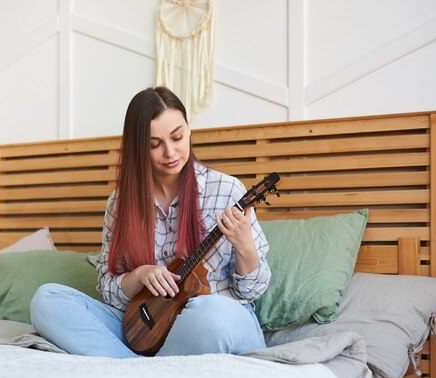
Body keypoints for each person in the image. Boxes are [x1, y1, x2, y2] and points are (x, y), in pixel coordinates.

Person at [30, 86, 271, 358]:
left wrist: (245, 246)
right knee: (47, 300)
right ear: (138, 147)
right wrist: (139, 276)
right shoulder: (120, 203)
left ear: (189, 131)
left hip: (215, 324)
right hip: (147, 329)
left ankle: (138, 369)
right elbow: (108, 288)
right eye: (154, 144)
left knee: (209, 313)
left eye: (177, 137)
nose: (170, 152)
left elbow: (253, 290)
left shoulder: (227, 191)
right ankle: (135, 368)